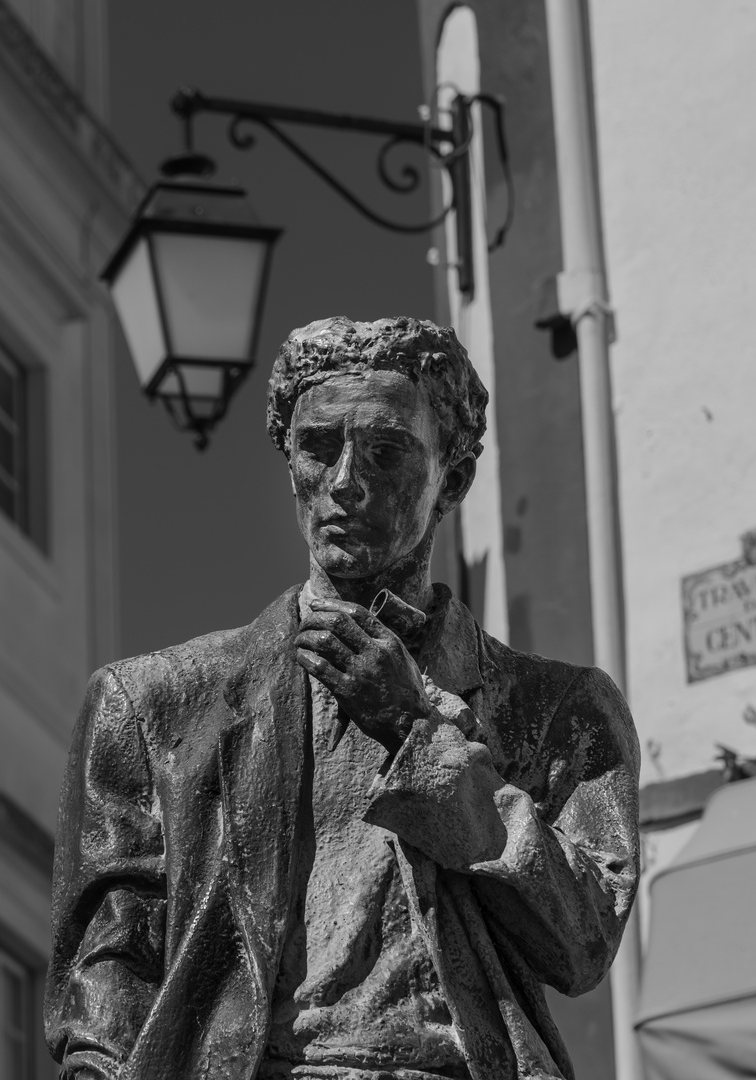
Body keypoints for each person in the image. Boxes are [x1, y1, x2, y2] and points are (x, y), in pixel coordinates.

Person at [46, 316, 639, 1080]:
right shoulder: (151, 705)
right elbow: (103, 977)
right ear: (289, 462)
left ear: (450, 479)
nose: (345, 482)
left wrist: (417, 738)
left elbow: (581, 941)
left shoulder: (558, 711)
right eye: (318, 448)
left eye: (386, 451)